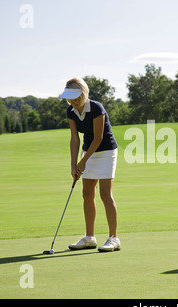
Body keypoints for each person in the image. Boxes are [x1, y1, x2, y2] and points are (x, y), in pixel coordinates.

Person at [60, 77, 121, 252]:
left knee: (105, 194)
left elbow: (98, 138)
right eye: (70, 99)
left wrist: (83, 162)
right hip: (88, 151)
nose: (72, 102)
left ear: (82, 94)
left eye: (75, 98)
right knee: (87, 193)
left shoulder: (96, 108)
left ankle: (114, 238)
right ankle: (90, 238)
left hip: (106, 152)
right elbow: (74, 139)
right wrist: (73, 165)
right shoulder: (71, 111)